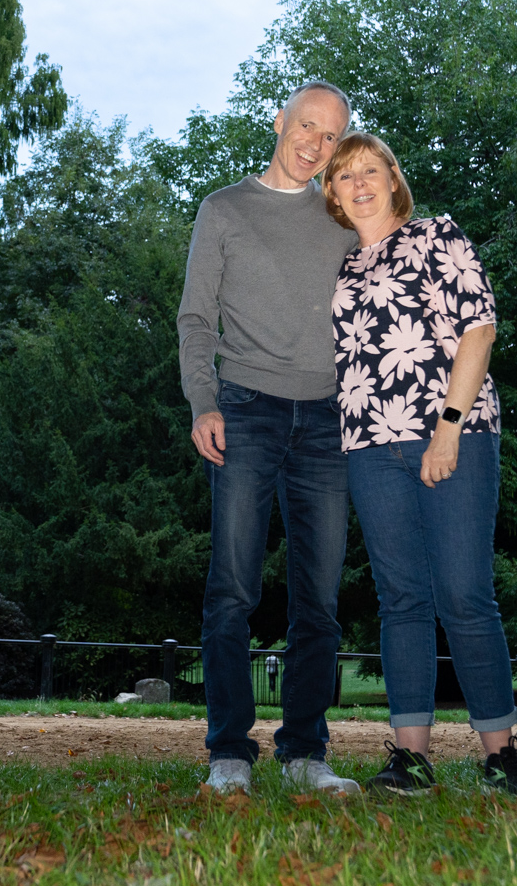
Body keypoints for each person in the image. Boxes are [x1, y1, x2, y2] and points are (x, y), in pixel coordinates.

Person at [321, 131, 517, 797]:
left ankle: (502, 754)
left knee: (464, 593)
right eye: (344, 176)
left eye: (371, 170)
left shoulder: (435, 236)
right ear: (331, 195)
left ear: (394, 180)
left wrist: (447, 428)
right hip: (367, 442)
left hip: (454, 431)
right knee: (402, 600)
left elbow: (479, 327)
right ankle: (410, 757)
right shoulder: (338, 266)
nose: (359, 183)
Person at [178, 80, 363, 796]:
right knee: (233, 590)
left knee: (318, 599)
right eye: (306, 125)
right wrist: (204, 402)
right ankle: (229, 752)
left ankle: (305, 753)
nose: (314, 142)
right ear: (280, 120)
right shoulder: (223, 209)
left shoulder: (345, 216)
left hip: (328, 420)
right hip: (246, 409)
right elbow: (196, 320)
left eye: (330, 135)